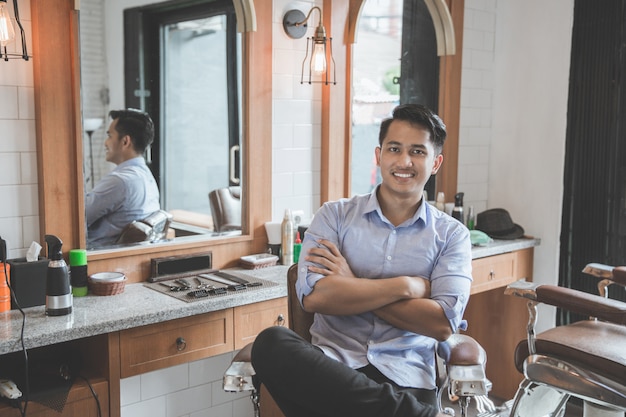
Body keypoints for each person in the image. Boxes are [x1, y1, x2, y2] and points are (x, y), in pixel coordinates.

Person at [251, 104, 473, 417]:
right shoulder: (334, 216)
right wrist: (405, 287)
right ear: (379, 155)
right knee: (271, 343)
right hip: (330, 370)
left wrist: (352, 283)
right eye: (394, 149)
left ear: (435, 162)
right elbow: (315, 297)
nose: (404, 161)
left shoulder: (452, 236)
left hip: (405, 376)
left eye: (417, 152)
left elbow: (441, 323)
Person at [85, 109, 160, 247]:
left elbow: (78, 217)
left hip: (98, 258)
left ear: (125, 141)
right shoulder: (146, 177)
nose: (105, 143)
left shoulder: (120, 181)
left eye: (109, 136)